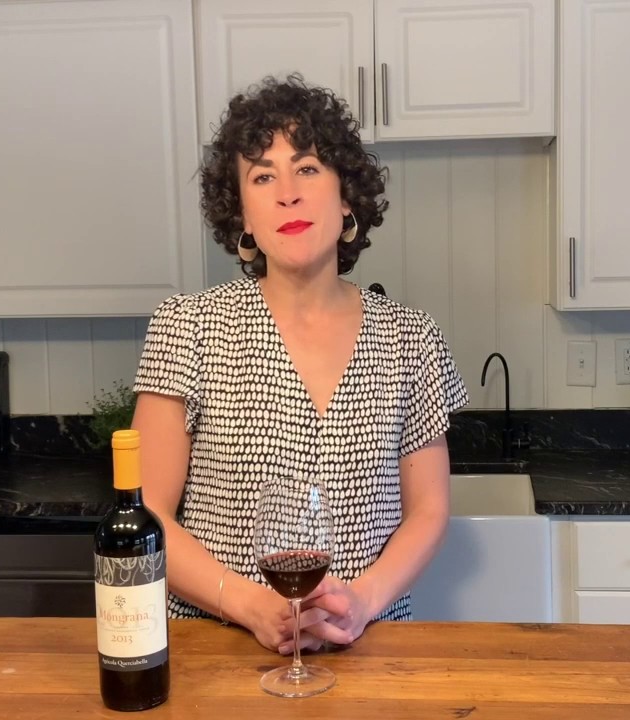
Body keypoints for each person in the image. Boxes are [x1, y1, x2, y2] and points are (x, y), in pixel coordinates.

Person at [130, 74, 469, 655]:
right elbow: (147, 512)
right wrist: (249, 606)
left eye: (307, 168)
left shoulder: (411, 338)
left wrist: (362, 601)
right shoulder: (187, 327)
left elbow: (430, 510)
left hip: (370, 648)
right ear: (243, 215)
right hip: (219, 650)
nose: (287, 193)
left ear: (346, 198)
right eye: (263, 176)